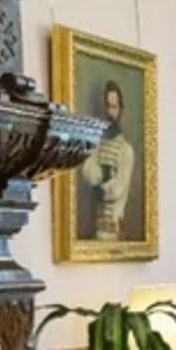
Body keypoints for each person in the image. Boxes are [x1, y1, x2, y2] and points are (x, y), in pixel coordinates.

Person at [77, 79, 136, 241]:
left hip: (115, 227)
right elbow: (87, 173)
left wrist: (100, 179)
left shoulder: (126, 150)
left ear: (120, 110)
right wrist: (106, 173)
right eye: (108, 106)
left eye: (114, 107)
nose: (110, 112)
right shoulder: (97, 144)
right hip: (97, 226)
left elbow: (116, 190)